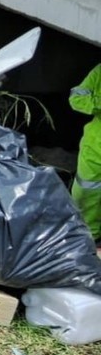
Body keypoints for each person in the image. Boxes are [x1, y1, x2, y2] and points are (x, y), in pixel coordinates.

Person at [70, 64, 101, 240]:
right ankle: (87, 240)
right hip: (94, 148)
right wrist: (98, 104)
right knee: (85, 193)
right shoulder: (99, 72)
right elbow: (76, 98)